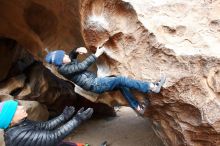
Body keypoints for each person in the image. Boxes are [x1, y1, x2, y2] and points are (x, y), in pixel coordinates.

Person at [45, 47, 166, 115]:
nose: (66, 55)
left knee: (121, 85)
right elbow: (81, 67)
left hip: (95, 83)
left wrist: (76, 50)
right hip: (95, 84)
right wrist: (96, 55)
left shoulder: (64, 65)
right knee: (120, 79)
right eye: (64, 56)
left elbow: (71, 57)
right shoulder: (64, 70)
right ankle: (152, 87)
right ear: (61, 61)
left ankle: (138, 108)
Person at [0, 100, 93, 146]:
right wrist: (77, 119)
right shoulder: (17, 135)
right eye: (16, 109)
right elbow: (53, 137)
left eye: (18, 106)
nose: (22, 107)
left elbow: (44, 126)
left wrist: (63, 117)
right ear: (9, 120)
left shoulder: (20, 123)